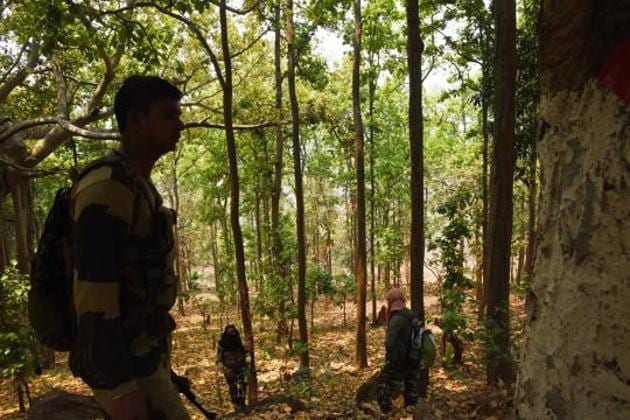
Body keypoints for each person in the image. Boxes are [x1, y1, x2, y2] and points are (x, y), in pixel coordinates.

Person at [68, 75, 188, 419]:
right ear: (135, 121)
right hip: (122, 364)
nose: (180, 124)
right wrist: (121, 391)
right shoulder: (106, 189)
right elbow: (93, 303)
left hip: (142, 353)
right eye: (168, 115)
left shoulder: (138, 186)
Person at [376, 288, 422, 413]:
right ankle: (412, 410)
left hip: (399, 360)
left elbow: (390, 342)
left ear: (391, 302)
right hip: (413, 358)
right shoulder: (410, 314)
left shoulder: (396, 319)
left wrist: (391, 359)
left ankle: (386, 411)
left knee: (385, 385)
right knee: (411, 387)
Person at [216, 324, 249, 411]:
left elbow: (247, 353)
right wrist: (224, 369)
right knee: (232, 387)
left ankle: (242, 403)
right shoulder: (222, 344)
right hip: (229, 369)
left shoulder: (240, 341)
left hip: (241, 366)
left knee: (243, 384)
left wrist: (248, 360)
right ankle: (236, 405)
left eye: (233, 331)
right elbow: (218, 360)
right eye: (229, 332)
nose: (232, 334)